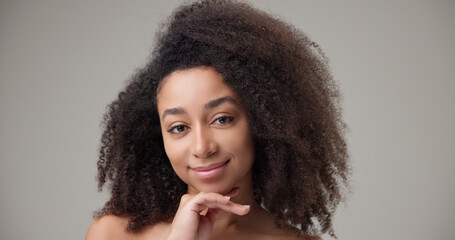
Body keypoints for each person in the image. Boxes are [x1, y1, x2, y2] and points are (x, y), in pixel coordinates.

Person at [85, 0, 350, 239]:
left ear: (263, 122)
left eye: (222, 120)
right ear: (158, 138)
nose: (202, 147)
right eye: (179, 127)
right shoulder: (111, 234)